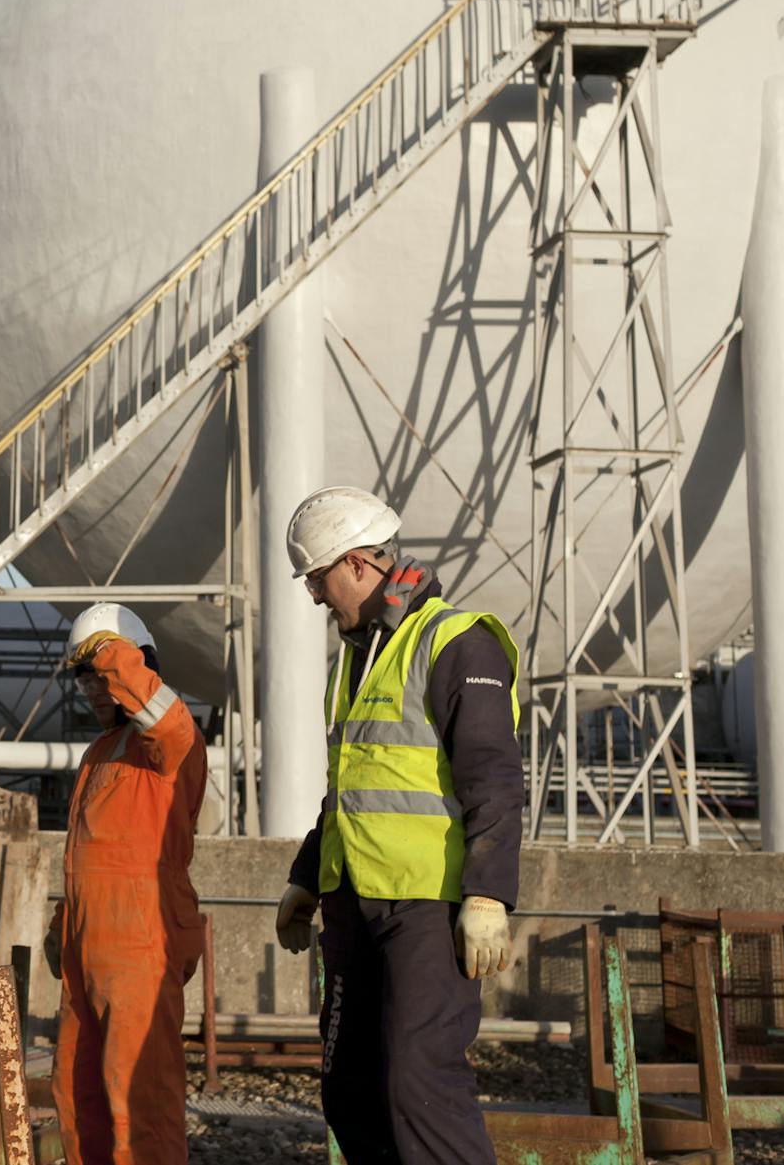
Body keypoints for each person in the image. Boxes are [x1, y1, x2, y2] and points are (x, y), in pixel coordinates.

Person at [271, 486, 523, 1165]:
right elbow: (351, 789)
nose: (316, 597)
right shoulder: (358, 658)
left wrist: (488, 894)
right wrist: (304, 876)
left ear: (357, 564)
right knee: (348, 1086)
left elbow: (493, 777)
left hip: (426, 906)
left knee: (418, 1079)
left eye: (318, 579)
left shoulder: (457, 643)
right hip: (353, 901)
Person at [46, 603, 209, 1165]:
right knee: (75, 1089)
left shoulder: (168, 742)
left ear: (135, 664)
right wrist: (63, 923)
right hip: (88, 951)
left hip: (141, 947)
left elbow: (162, 716)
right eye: (84, 677)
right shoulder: (101, 752)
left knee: (140, 1101)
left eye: (101, 674)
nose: (92, 688)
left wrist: (109, 651)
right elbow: (92, 852)